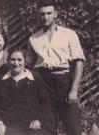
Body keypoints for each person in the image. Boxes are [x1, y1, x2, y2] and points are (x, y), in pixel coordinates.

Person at [26, 1, 86, 135]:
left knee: (72, 126)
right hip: (43, 82)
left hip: (64, 81)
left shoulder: (69, 34)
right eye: (42, 14)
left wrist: (74, 90)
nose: (45, 17)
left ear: (55, 14)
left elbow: (79, 62)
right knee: (47, 126)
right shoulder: (33, 39)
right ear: (38, 15)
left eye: (49, 13)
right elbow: (30, 66)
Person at [0, 48, 50, 135]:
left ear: (25, 61)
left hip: (31, 127)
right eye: (13, 60)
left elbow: (46, 103)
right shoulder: (1, 80)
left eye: (19, 60)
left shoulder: (35, 78)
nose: (16, 63)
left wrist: (39, 121)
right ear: (8, 61)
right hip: (6, 127)